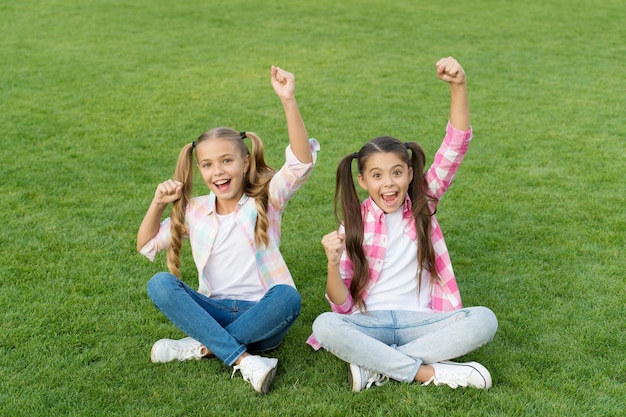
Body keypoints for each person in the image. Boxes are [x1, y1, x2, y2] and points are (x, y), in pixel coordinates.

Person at [307, 57, 497, 393]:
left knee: (484, 319)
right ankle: (424, 372)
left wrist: (458, 86)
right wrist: (332, 264)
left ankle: (377, 367)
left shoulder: (424, 202)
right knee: (325, 325)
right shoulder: (351, 226)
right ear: (363, 181)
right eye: (377, 176)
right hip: (370, 323)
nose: (389, 184)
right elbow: (341, 306)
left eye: (397, 172)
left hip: (422, 321)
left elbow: (455, 146)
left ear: (411, 174)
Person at [137, 66, 319, 394]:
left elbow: (300, 165)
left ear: (245, 162)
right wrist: (157, 203)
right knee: (160, 284)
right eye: (207, 165)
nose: (218, 172)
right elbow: (147, 243)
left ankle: (201, 346)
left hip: (263, 314)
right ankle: (244, 360)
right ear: (199, 169)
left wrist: (288, 101)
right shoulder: (195, 211)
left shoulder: (266, 199)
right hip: (216, 310)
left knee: (287, 297)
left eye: (227, 161)